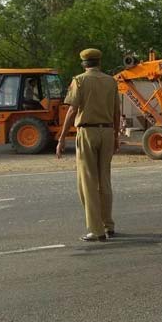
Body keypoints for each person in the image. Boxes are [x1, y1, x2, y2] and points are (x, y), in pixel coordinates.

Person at [56, 48, 120, 242]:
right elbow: (117, 112)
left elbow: (72, 110)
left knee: (88, 182)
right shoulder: (111, 81)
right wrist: (116, 136)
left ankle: (96, 229)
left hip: (87, 131)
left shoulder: (79, 81)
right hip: (107, 131)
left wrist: (61, 138)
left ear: (84, 63)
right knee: (105, 180)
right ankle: (108, 224)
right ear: (99, 62)